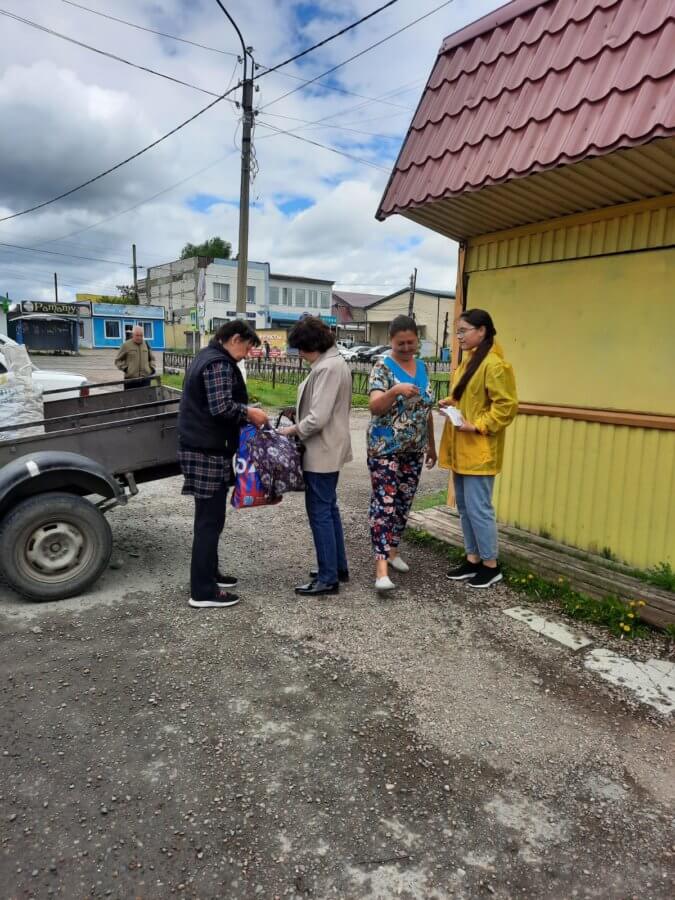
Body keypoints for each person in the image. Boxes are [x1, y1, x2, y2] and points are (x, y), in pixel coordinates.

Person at [177, 320, 268, 609]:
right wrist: (249, 413)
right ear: (236, 339)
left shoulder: (205, 356)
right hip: (206, 452)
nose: (246, 354)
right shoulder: (218, 364)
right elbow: (221, 408)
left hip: (202, 448)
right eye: (248, 347)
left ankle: (210, 573)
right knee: (209, 520)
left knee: (210, 518)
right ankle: (203, 591)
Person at [439, 309, 517, 589]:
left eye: (463, 331)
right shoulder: (470, 361)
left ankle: (490, 565)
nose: (458, 336)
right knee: (464, 507)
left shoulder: (494, 365)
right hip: (462, 449)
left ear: (482, 331)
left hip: (479, 450)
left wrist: (477, 425)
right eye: (457, 331)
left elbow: (506, 407)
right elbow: (469, 398)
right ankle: (472, 559)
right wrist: (450, 403)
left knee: (479, 508)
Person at [278, 317, 352, 597]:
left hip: (322, 449)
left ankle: (327, 577)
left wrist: (291, 430)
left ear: (311, 345)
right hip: (328, 446)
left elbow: (318, 418)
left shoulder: (327, 368)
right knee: (328, 509)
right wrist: (297, 414)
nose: (300, 354)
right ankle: (336, 567)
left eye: (301, 348)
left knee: (320, 512)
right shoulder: (332, 363)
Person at [367, 316, 437, 592]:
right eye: (400, 343)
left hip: (413, 448)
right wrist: (395, 390)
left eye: (411, 342)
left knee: (403, 502)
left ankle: (393, 551)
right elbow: (374, 406)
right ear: (391, 341)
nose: (407, 348)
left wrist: (431, 444)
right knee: (384, 504)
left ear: (417, 340)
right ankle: (381, 569)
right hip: (385, 448)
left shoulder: (423, 366)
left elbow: (425, 409)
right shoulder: (382, 367)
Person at [115, 325, 156, 389]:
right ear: (133, 335)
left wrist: (151, 369)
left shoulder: (146, 344)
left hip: (145, 379)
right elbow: (117, 360)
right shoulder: (126, 345)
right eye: (137, 335)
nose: (139, 337)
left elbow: (152, 359)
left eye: (141, 335)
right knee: (130, 398)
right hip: (130, 380)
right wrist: (126, 368)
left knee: (145, 398)